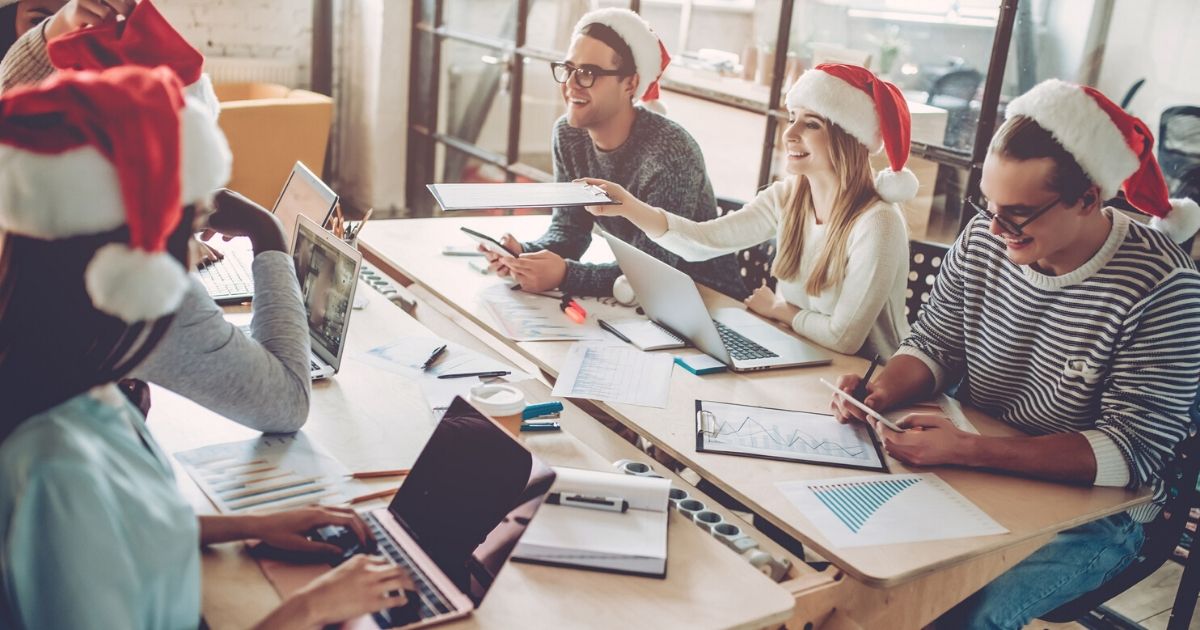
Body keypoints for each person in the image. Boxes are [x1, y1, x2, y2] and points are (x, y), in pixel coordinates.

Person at [0, 65, 414, 630]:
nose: (197, 258)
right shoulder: (55, 466)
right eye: (189, 232)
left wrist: (247, 526)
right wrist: (305, 611)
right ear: (129, 267)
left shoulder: (79, 379)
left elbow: (116, 526)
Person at [830, 79, 1200, 629]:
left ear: (1088, 199)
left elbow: (1132, 452)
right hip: (973, 471)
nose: (995, 228)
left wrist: (970, 451)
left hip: (1102, 517)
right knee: (848, 574)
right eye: (989, 205)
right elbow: (934, 344)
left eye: (1017, 214)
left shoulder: (1162, 285)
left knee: (947, 614)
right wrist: (881, 392)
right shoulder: (986, 236)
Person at [0, 0, 312, 432]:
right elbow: (286, 403)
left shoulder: (19, 243)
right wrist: (268, 234)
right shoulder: (138, 298)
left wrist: (56, 30)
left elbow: (9, 98)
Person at [581, 64, 915, 358]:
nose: (790, 133)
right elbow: (704, 241)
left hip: (870, 384)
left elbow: (844, 339)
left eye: (811, 124)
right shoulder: (789, 197)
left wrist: (781, 310)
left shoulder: (878, 222)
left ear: (848, 139)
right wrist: (629, 206)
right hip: (803, 355)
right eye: (792, 118)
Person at [480, 8, 746, 299]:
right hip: (637, 300)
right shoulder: (569, 135)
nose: (570, 85)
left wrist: (567, 275)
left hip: (709, 303)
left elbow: (655, 270)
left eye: (587, 73)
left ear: (630, 83)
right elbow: (570, 230)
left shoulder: (671, 152)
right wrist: (523, 256)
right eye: (568, 69)